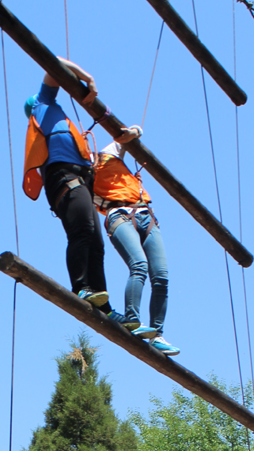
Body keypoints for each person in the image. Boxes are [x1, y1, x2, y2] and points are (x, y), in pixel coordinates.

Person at [23, 58, 140, 331]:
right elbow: (53, 63)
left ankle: (103, 304)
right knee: (82, 233)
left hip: (81, 179)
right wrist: (88, 77)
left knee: (96, 242)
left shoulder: (66, 122)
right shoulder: (42, 106)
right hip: (64, 178)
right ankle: (81, 287)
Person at [92, 131, 180, 356]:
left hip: (145, 215)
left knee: (161, 276)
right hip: (118, 214)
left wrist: (135, 132)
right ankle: (133, 320)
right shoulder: (83, 173)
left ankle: (157, 334)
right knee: (139, 265)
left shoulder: (106, 155)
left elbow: (126, 135)